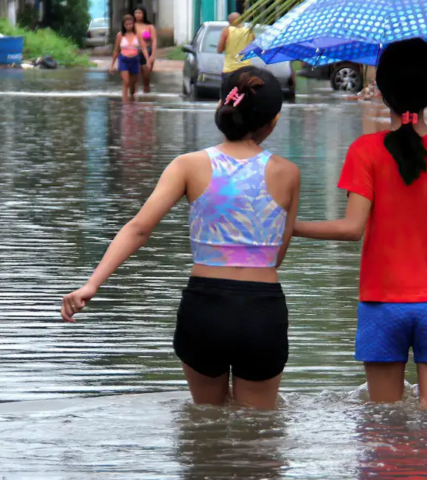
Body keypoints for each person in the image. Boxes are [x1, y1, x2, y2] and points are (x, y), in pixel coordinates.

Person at [62, 67, 301, 410]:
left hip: (204, 309)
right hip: (261, 312)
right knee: (259, 435)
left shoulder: (187, 165)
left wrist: (91, 285)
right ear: (273, 121)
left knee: (204, 427)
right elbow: (277, 255)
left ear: (222, 105)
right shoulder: (288, 173)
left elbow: (138, 228)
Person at [293, 39, 427, 410]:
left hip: (383, 305)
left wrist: (292, 227)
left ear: (381, 90)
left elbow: (351, 229)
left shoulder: (365, 151)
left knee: (383, 423)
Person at [110, 14, 150, 101]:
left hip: (135, 60)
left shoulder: (138, 34)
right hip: (123, 60)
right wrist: (112, 65)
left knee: (132, 86)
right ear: (123, 25)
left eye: (130, 24)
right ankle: (125, 104)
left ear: (133, 24)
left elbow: (143, 48)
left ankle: (132, 100)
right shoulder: (120, 35)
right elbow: (116, 50)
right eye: (126, 24)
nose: (128, 26)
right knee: (126, 82)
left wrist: (148, 61)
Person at [217, 12, 255, 86]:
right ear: (241, 20)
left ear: (229, 22)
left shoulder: (226, 31)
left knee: (228, 94)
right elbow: (255, 46)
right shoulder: (248, 31)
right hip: (246, 70)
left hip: (230, 70)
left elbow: (219, 50)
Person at [133, 7, 157, 94]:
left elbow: (154, 41)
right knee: (135, 77)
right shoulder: (131, 26)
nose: (137, 15)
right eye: (136, 13)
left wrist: (153, 55)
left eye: (139, 13)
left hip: (148, 51)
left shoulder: (149, 27)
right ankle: (133, 99)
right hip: (135, 52)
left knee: (146, 78)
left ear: (143, 14)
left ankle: (147, 99)